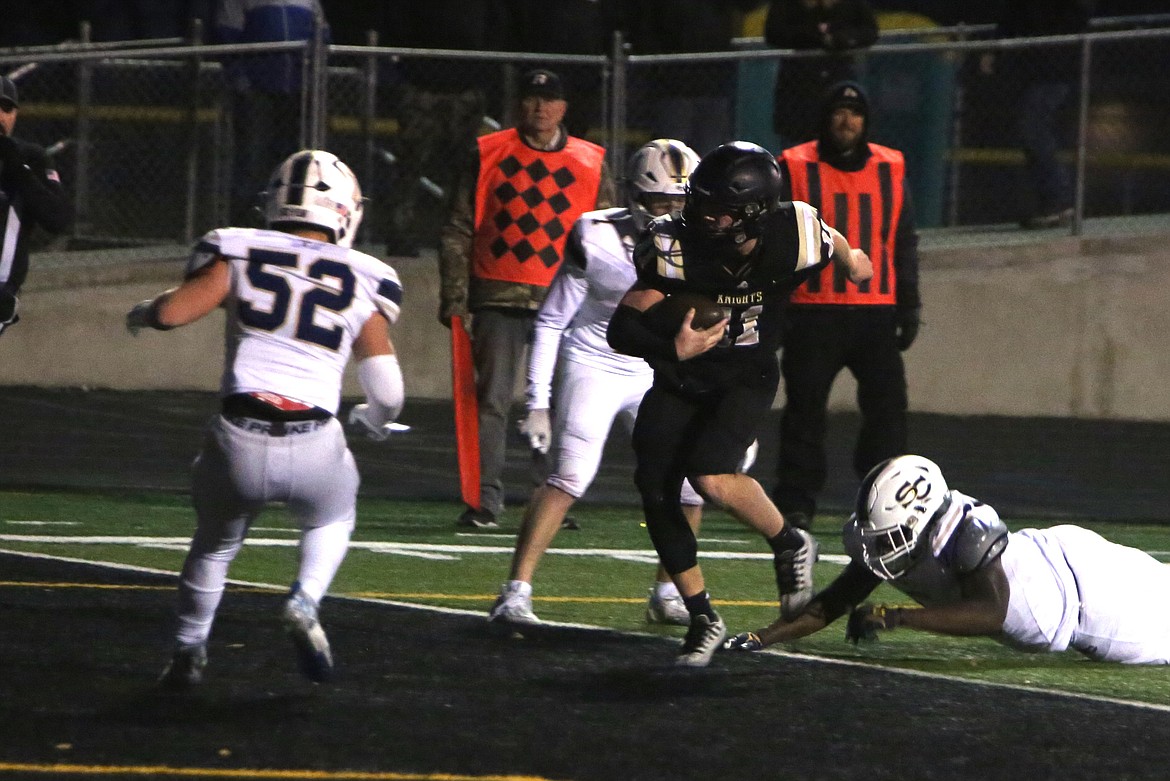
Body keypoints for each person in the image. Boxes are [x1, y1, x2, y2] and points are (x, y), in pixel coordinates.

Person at [127, 149, 406, 688]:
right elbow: (388, 391)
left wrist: (142, 311)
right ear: (347, 210)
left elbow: (170, 314)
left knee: (215, 544)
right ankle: (305, 598)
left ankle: (189, 651)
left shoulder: (237, 250)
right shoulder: (366, 277)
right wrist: (372, 419)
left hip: (237, 434)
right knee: (332, 517)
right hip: (314, 437)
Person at [606, 141, 873, 666]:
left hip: (746, 376)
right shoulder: (674, 247)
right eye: (700, 201)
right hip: (682, 376)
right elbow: (622, 327)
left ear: (753, 214)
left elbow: (832, 241)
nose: (702, 215)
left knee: (708, 475)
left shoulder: (792, 236)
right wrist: (670, 346)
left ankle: (789, 541)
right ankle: (702, 616)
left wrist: (854, 264)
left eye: (717, 207)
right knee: (655, 486)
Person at [489, 139, 714, 628]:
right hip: (595, 360)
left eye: (682, 202)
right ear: (636, 197)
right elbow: (551, 320)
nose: (673, 212)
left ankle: (668, 593)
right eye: (662, 202)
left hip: (658, 366)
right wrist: (538, 400)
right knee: (571, 475)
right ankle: (515, 591)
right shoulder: (596, 235)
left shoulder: (708, 242)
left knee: (694, 482)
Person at [726, 454, 1170, 664]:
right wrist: (761, 638)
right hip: (1064, 564)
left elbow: (991, 611)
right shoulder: (895, 540)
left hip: (1091, 606)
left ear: (922, 517)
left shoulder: (967, 531)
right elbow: (833, 602)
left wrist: (897, 617)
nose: (882, 548)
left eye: (891, 536)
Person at [438, 67, 617, 529]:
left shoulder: (591, 162)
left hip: (566, 303)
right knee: (492, 400)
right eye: (533, 98)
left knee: (562, 403)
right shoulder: (487, 152)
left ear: (564, 108)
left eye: (550, 99)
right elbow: (459, 226)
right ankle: (484, 500)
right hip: (499, 292)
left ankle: (551, 498)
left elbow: (608, 236)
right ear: (521, 104)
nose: (540, 107)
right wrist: (455, 296)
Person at [771, 81, 921, 531]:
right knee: (804, 412)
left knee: (888, 413)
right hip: (812, 312)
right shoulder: (795, 164)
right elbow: (778, 241)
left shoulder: (891, 166)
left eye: (855, 113)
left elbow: (903, 239)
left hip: (875, 311)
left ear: (866, 120)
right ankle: (796, 502)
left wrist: (909, 303)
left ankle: (883, 497)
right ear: (825, 117)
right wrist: (777, 309)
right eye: (839, 111)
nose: (847, 120)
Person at [978, 0, 1092, 229]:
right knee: (1030, 132)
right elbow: (1012, 17)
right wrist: (993, 48)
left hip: (1055, 69)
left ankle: (1060, 201)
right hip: (1033, 69)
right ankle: (1050, 203)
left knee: (1034, 130)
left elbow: (1077, 18)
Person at [214, 0, 326, 227]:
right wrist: (240, 78)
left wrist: (313, 74)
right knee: (252, 158)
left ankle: (287, 221)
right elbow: (227, 33)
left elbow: (322, 34)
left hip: (298, 89)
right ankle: (244, 223)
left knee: (293, 160)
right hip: (257, 90)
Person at [0, 75, 72, 338]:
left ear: (15, 115)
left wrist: (17, 168)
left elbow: (58, 219)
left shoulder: (30, 157)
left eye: (6, 108)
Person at [764, 0, 877, 146]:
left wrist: (840, 39)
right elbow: (773, 33)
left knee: (841, 138)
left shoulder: (849, 5)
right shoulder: (789, 5)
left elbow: (870, 32)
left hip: (838, 78)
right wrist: (814, 30)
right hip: (798, 88)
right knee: (797, 144)